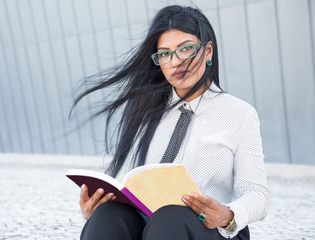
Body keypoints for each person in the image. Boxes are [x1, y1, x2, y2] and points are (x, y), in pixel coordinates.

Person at [72, 5, 269, 240]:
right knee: (108, 214)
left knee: (170, 218)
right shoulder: (144, 109)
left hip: (209, 230)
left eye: (185, 49)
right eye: (164, 54)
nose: (175, 62)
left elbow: (257, 195)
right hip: (150, 224)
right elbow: (126, 184)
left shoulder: (239, 114)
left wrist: (227, 215)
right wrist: (94, 209)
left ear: (208, 51)